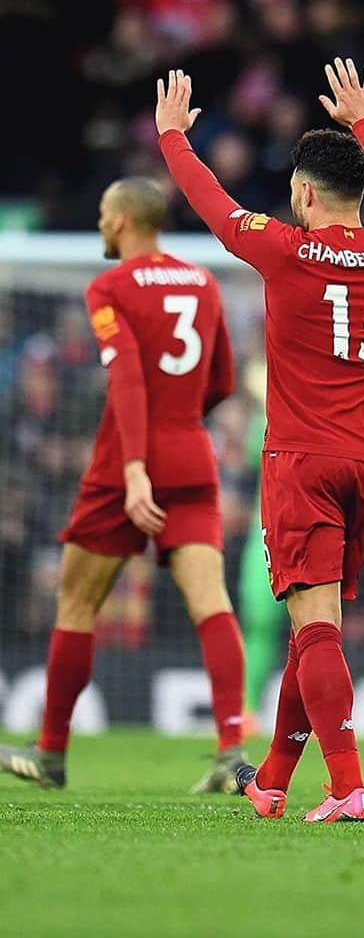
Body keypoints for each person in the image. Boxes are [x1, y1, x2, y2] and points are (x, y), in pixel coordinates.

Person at [156, 61, 364, 824]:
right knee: (317, 631)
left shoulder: (287, 249)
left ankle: (347, 788)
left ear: (305, 193)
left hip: (303, 460)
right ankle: (272, 779)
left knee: (316, 628)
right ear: (361, 194)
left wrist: (173, 138)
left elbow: (213, 206)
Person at [0, 177, 246, 793]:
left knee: (78, 604)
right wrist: (182, 425)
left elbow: (129, 380)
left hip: (123, 465)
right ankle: (231, 749)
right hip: (192, 454)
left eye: (106, 216)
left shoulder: (109, 286)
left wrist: (136, 466)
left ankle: (51, 752)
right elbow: (221, 381)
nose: (103, 226)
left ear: (122, 220)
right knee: (211, 603)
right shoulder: (203, 281)